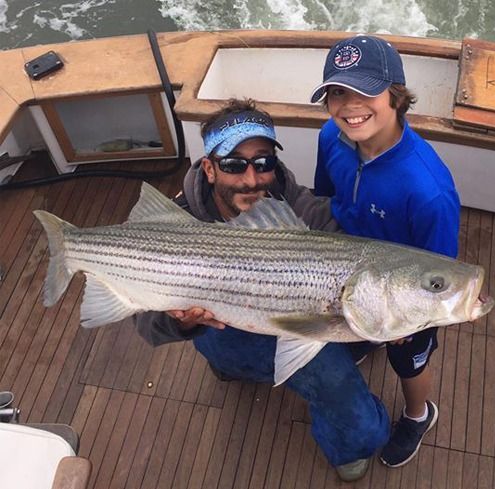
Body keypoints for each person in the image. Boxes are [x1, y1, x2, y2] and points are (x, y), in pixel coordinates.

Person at [135, 99, 389, 482]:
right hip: (221, 331)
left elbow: (356, 254)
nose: (251, 180)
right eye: (234, 165)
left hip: (300, 325)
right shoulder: (176, 220)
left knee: (367, 432)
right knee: (227, 358)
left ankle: (347, 441)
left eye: (263, 162)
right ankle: (232, 367)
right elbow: (144, 323)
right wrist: (183, 325)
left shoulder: (301, 207)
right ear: (209, 168)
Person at [310, 35, 461, 468]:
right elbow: (324, 198)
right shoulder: (330, 136)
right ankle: (365, 336)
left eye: (365, 90)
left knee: (407, 362)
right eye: (337, 92)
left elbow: (439, 272)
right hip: (350, 271)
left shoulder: (428, 190)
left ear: (396, 94)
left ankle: (418, 415)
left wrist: (412, 322)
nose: (349, 106)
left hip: (405, 288)